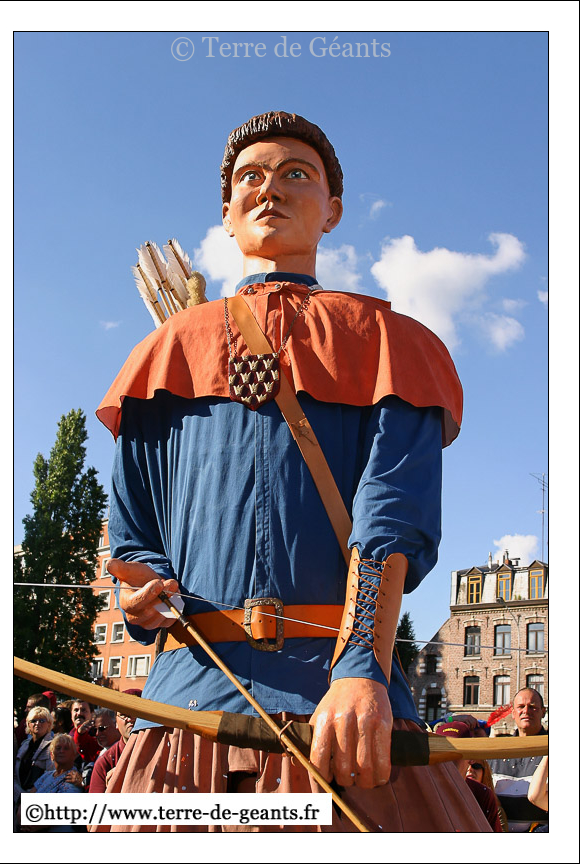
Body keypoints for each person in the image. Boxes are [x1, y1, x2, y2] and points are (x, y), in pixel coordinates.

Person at [95, 111, 487, 833]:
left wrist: (360, 669)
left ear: (332, 210)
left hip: (342, 715)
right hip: (186, 714)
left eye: (295, 174)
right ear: (227, 211)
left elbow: (390, 520)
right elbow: (134, 534)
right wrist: (143, 598)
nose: (270, 189)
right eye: (250, 177)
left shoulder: (392, 342)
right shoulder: (163, 354)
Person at [488, 687, 548, 832]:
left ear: (543, 712)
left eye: (532, 707)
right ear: (513, 713)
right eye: (521, 707)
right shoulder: (497, 753)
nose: (526, 711)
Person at [434, 719, 502, 831]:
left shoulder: (481, 794)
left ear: (471, 757)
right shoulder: (422, 789)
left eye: (454, 752)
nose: (446, 758)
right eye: (440, 751)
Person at [22, 735, 84, 833]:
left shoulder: (73, 778)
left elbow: (63, 810)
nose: (61, 751)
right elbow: (28, 799)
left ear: (74, 755)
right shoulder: (47, 775)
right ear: (51, 754)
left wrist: (35, 825)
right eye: (58, 748)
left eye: (66, 748)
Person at [89, 690, 141, 796]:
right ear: (116, 723)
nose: (130, 719)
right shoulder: (105, 762)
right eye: (123, 714)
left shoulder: (164, 751)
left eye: (135, 712)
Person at [14, 706, 54, 830]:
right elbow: (14, 774)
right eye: (33, 720)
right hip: (18, 799)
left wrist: (30, 797)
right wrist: (20, 795)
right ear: (28, 724)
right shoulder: (24, 745)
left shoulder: (54, 746)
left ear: (49, 724)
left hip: (39, 804)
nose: (37, 723)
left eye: (42, 720)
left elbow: (51, 776)